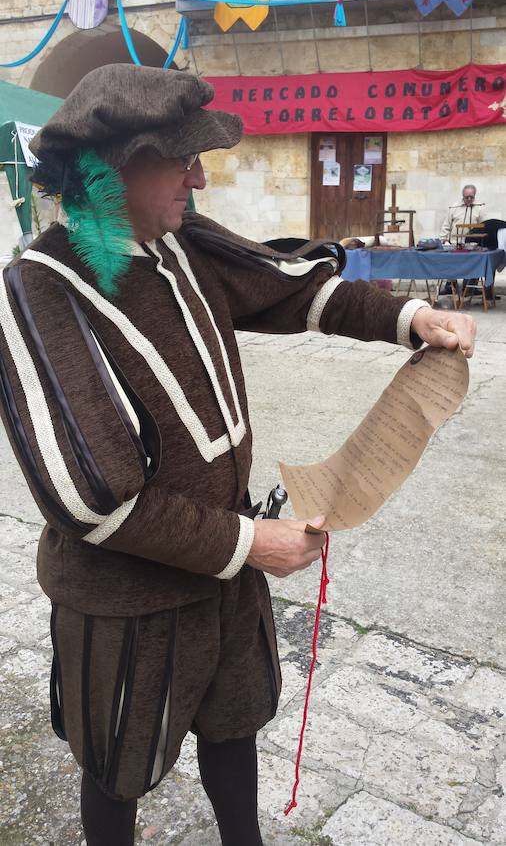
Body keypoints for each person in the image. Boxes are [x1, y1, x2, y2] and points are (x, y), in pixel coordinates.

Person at [0, 64, 476, 846]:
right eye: (180, 158)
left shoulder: (182, 240)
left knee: (233, 726)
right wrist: (255, 543)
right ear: (113, 170)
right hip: (127, 601)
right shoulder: (38, 288)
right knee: (117, 768)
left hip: (223, 578)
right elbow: (92, 497)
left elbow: (294, 288)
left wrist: (413, 316)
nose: (201, 174)